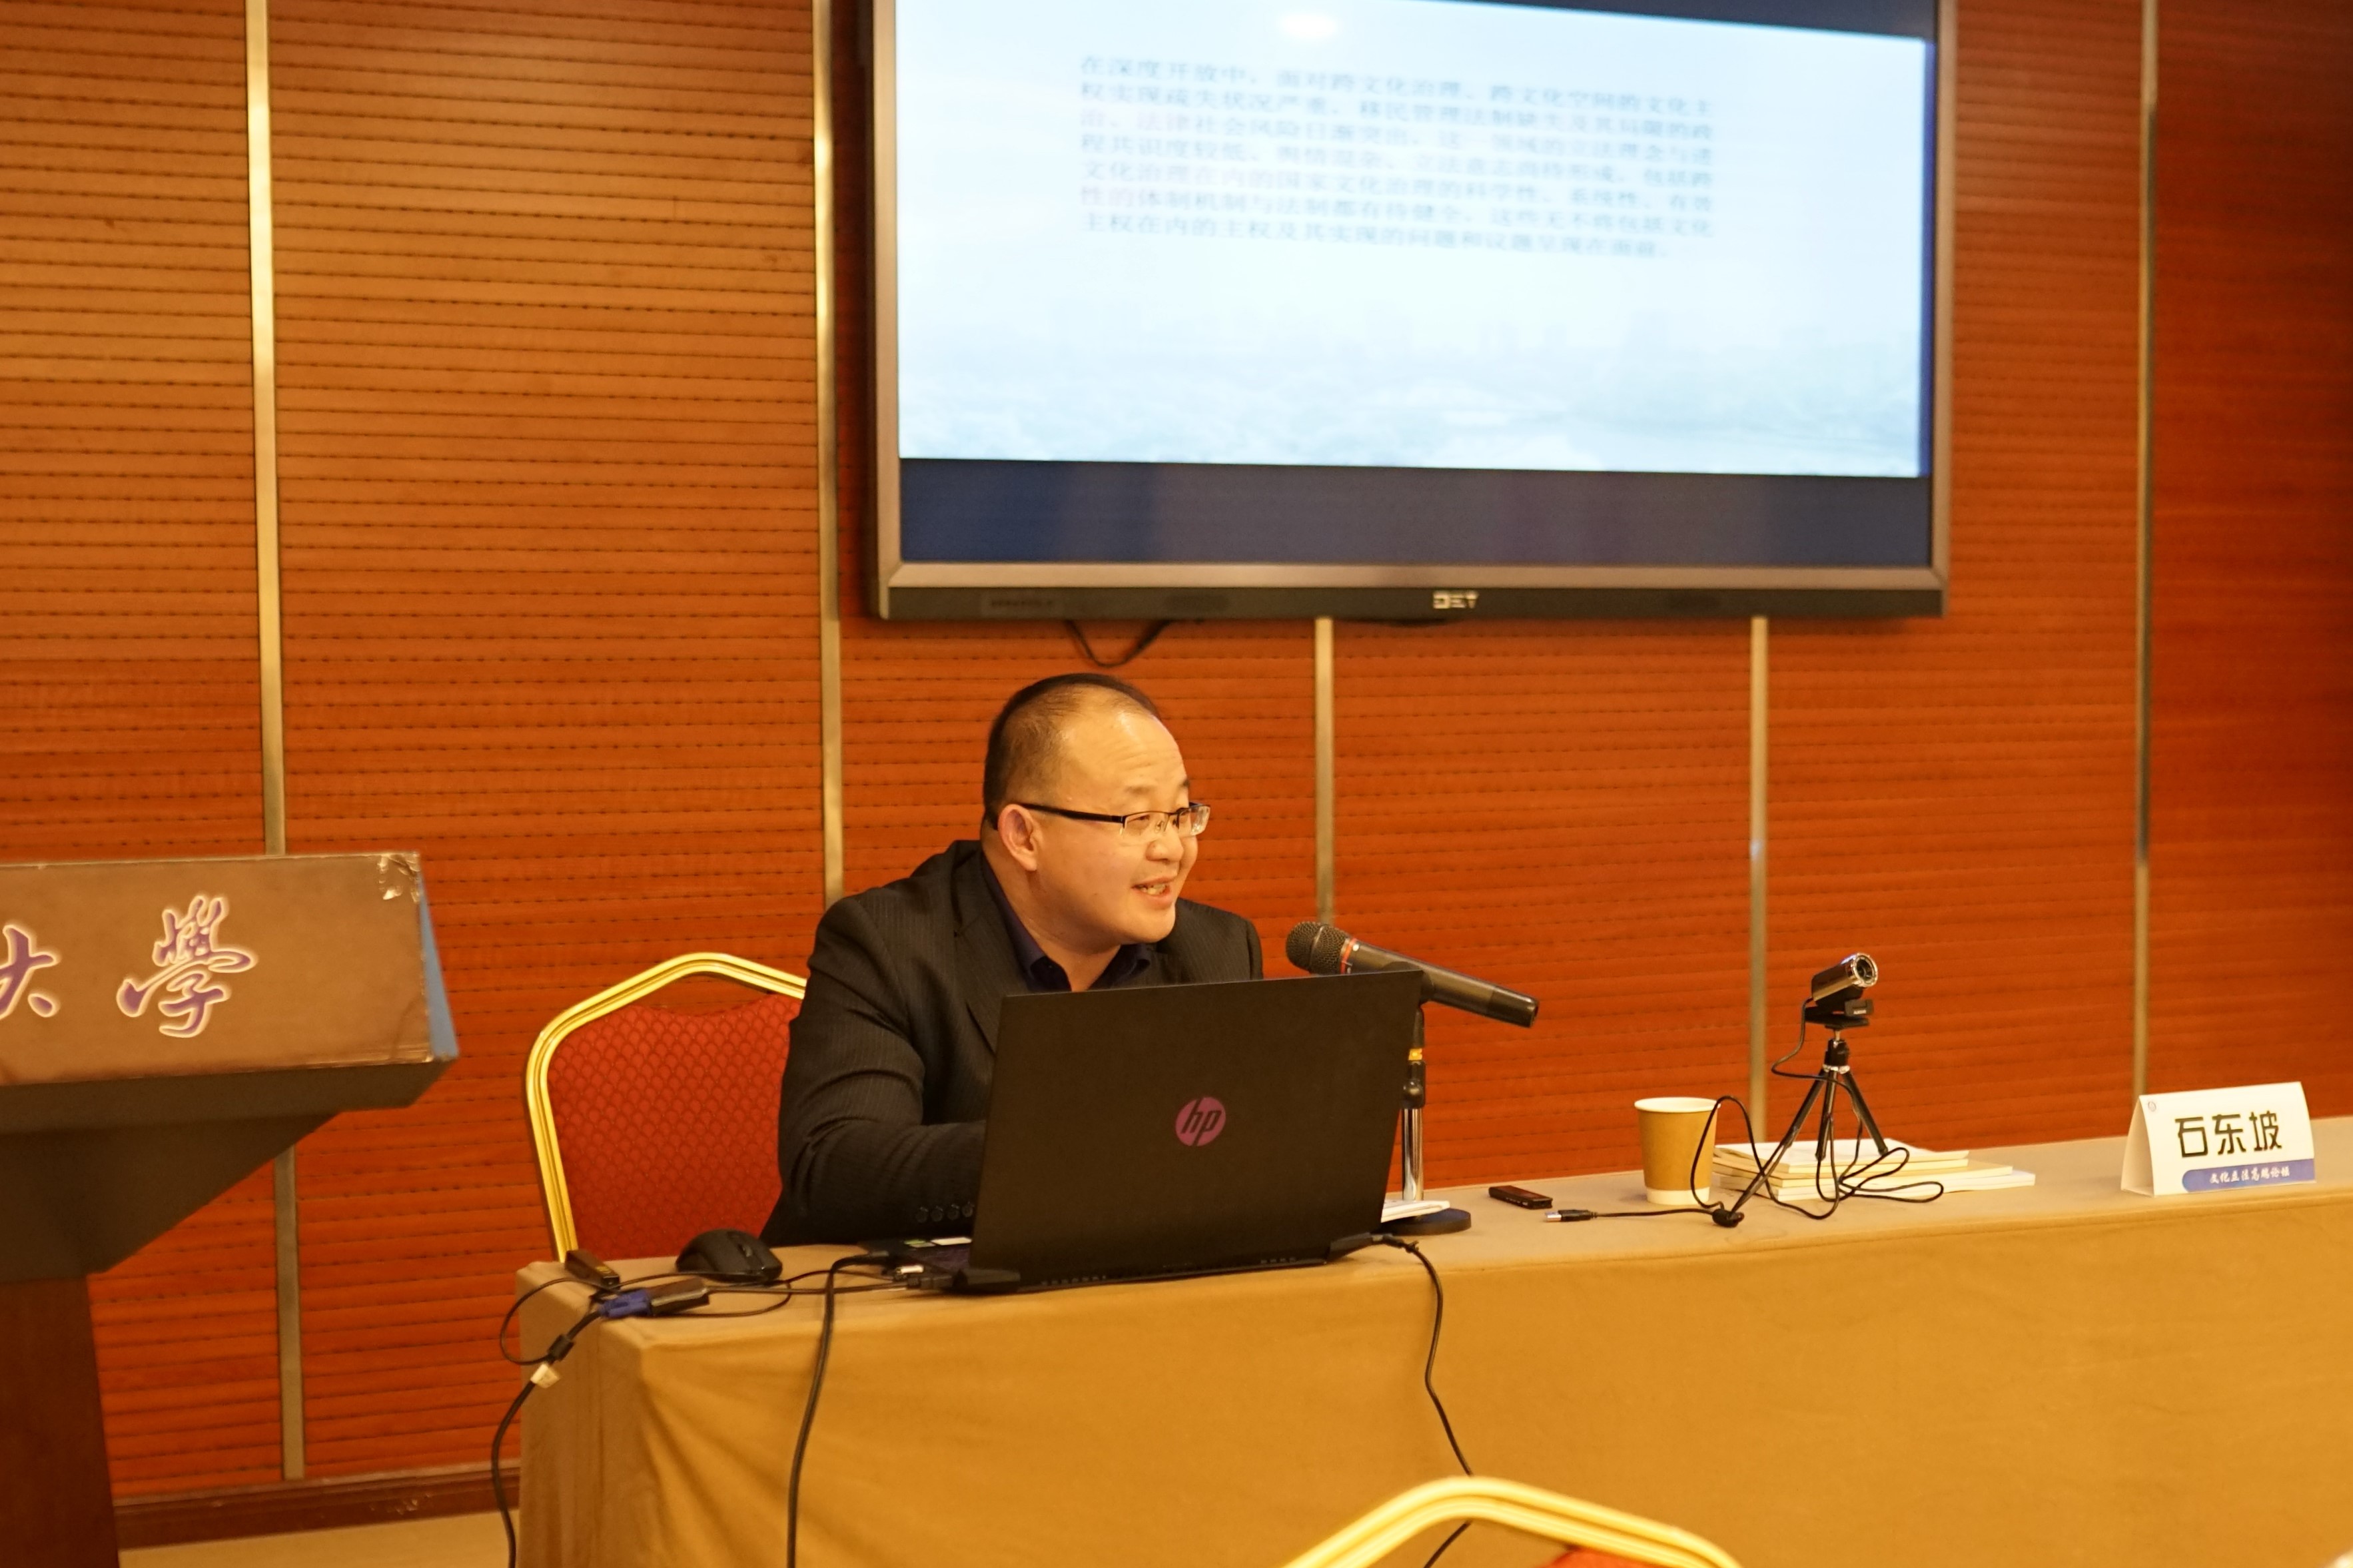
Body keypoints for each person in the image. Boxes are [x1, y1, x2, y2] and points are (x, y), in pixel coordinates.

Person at [763, 673, 1261, 1245]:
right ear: (1024, 835)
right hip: (922, 1293)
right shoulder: (890, 945)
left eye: (1179, 814)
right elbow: (835, 1166)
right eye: (1138, 820)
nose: (1172, 848)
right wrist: (1077, 1150)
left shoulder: (1216, 950)